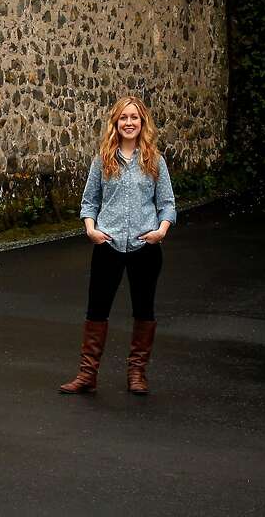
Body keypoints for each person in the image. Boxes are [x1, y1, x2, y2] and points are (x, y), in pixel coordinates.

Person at [60, 95, 176, 396]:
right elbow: (89, 201)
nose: (128, 123)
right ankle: (87, 375)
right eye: (123, 118)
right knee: (96, 309)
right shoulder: (102, 160)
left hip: (145, 245)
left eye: (134, 118)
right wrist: (91, 230)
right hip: (107, 243)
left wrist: (160, 232)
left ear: (142, 123)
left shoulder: (154, 161)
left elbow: (167, 204)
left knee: (144, 309)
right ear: (116, 123)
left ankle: (137, 373)